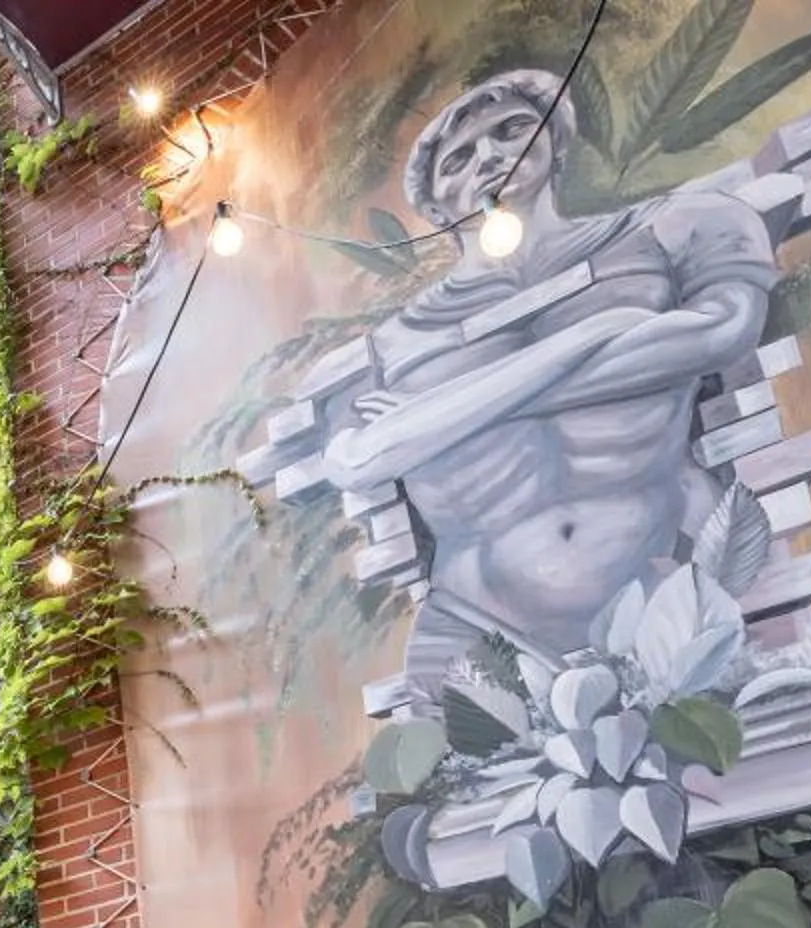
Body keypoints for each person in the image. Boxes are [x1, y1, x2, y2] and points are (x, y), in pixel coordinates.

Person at [318, 67, 780, 691]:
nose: (490, 156)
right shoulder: (391, 344)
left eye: (510, 129)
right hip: (475, 636)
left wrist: (426, 418)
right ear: (433, 206)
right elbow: (355, 460)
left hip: (672, 584)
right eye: (457, 158)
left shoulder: (667, 231)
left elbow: (720, 331)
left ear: (556, 140)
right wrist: (599, 330)